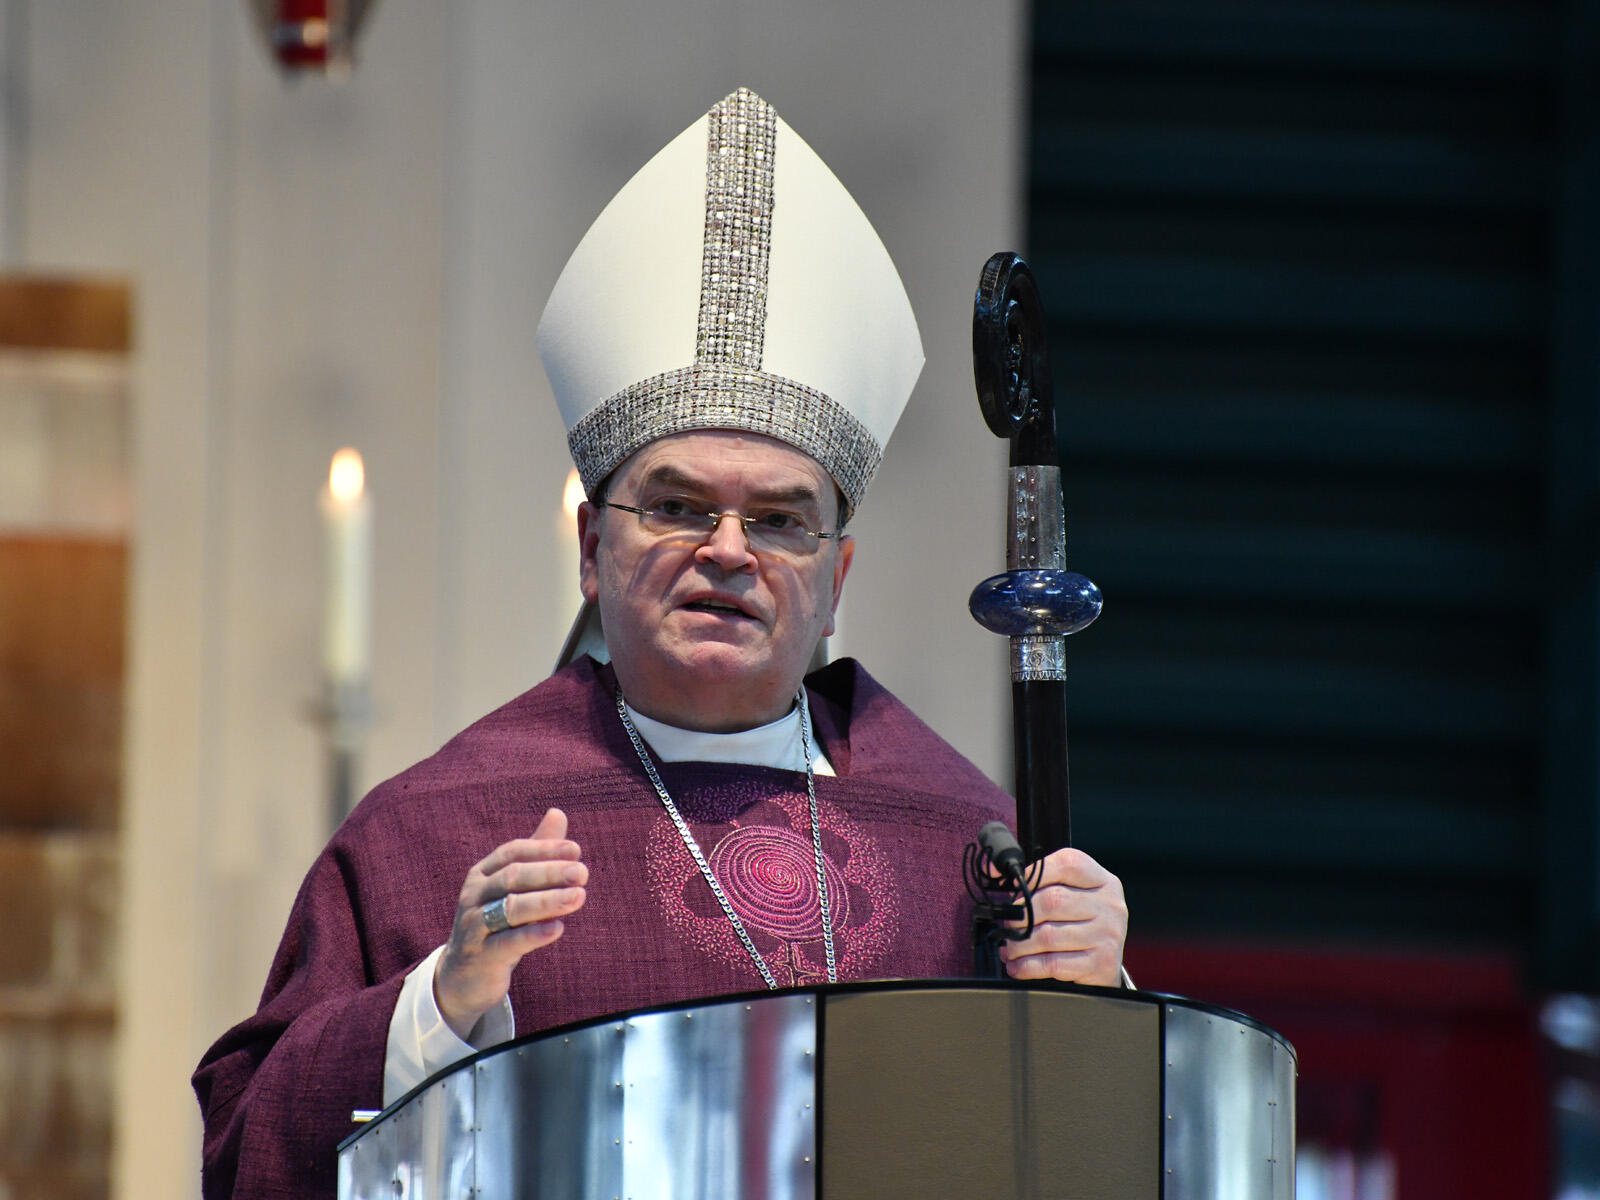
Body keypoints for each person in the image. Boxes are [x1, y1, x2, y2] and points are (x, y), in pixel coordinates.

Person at [193, 87, 1128, 1199]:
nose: (726, 550)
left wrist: (1102, 993)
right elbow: (246, 1148)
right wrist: (439, 1005)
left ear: (836, 580)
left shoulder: (967, 846)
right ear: (592, 548)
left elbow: (1078, 1154)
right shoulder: (437, 836)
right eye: (677, 506)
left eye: (779, 518)